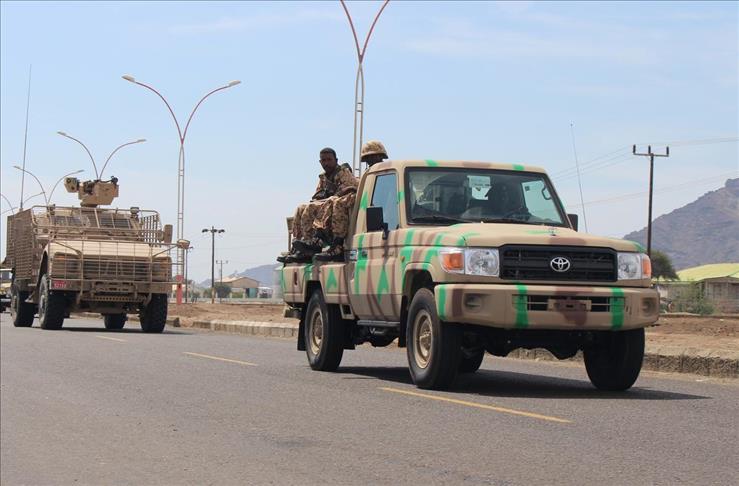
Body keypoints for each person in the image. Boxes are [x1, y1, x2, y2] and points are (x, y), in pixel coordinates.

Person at [279, 147, 358, 263]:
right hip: (328, 201)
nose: (326, 163)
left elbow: (350, 189)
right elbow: (317, 195)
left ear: (336, 160)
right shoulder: (323, 178)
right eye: (323, 160)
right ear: (320, 162)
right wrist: (321, 198)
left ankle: (323, 242)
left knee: (328, 202)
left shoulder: (343, 172)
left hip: (343, 201)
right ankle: (302, 245)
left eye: (329, 160)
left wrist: (328, 197)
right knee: (302, 208)